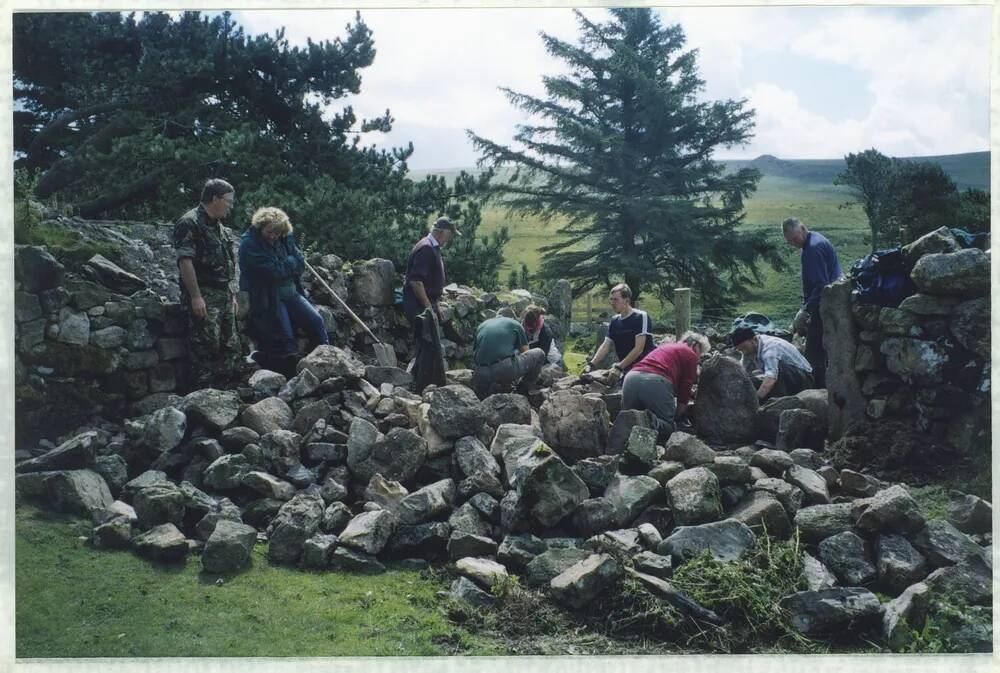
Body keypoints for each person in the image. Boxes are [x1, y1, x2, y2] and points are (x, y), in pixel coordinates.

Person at [238, 207, 329, 377]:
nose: (273, 236)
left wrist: (288, 264)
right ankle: (289, 377)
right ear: (261, 226)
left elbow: (300, 264)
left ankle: (325, 366)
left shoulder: (285, 237)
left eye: (277, 233)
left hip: (291, 292)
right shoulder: (249, 244)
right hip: (267, 296)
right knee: (285, 336)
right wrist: (291, 262)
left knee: (316, 321)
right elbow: (274, 272)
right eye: (269, 231)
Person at [173, 178, 241, 389]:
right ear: (215, 198)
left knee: (229, 347)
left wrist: (231, 295)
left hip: (223, 296)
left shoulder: (219, 227)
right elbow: (185, 261)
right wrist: (195, 296)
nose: (230, 206)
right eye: (228, 201)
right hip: (205, 296)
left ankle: (223, 397)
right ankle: (200, 400)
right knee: (205, 350)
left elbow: (226, 263)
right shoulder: (189, 222)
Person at [783, 217, 842, 388]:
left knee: (813, 353)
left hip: (825, 304)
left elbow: (820, 285)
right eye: (790, 242)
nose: (794, 243)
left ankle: (819, 392)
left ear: (803, 228)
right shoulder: (816, 239)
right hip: (832, 300)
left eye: (795, 238)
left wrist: (806, 310)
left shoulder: (812, 250)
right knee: (824, 350)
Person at [402, 217, 461, 389]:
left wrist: (436, 305)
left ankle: (417, 383)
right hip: (418, 306)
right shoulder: (427, 248)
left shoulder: (432, 246)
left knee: (426, 346)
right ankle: (420, 386)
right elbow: (416, 282)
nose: (450, 239)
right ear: (442, 232)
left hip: (425, 304)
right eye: (450, 235)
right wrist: (429, 308)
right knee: (427, 346)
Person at [621, 332, 710, 441]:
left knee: (627, 419)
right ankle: (647, 421)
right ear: (695, 346)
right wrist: (678, 414)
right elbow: (685, 387)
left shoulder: (667, 348)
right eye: (700, 353)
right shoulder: (690, 353)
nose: (698, 358)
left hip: (631, 377)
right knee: (668, 427)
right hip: (655, 380)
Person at [470, 308, 546, 399]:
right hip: (505, 369)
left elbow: (476, 352)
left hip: (480, 373)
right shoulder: (515, 324)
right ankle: (523, 391)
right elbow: (526, 353)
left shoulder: (482, 326)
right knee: (539, 353)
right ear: (512, 317)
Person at [583, 283, 655, 377]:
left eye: (616, 299)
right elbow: (605, 347)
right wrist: (591, 364)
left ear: (626, 300)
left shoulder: (641, 317)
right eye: (611, 299)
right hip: (626, 370)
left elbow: (639, 349)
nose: (612, 303)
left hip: (646, 368)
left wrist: (619, 367)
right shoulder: (614, 321)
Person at [731, 326, 814, 400]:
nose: (743, 352)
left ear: (754, 339)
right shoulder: (752, 346)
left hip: (804, 379)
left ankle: (780, 400)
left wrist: (756, 400)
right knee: (754, 376)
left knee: (776, 368)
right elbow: (743, 371)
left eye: (744, 347)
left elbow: (771, 378)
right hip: (788, 378)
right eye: (740, 350)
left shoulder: (770, 348)